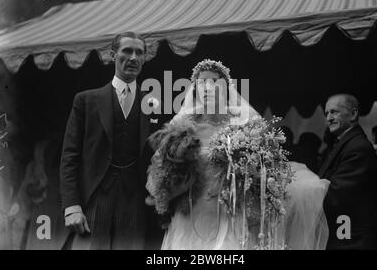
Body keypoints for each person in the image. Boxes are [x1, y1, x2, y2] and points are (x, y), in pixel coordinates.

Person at [146, 59, 329, 250]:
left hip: (230, 208)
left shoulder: (243, 121)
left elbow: (264, 162)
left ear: (225, 87)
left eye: (214, 82)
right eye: (201, 82)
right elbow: (162, 165)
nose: (207, 87)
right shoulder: (183, 124)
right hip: (192, 208)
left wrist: (245, 172)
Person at [59, 32, 158, 250]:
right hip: (95, 200)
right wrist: (71, 206)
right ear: (113, 55)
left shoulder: (153, 104)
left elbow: (157, 157)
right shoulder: (86, 100)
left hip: (135, 203)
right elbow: (70, 157)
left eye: (139, 53)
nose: (133, 57)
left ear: (144, 59)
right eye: (127, 51)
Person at [318, 94, 377, 249]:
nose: (328, 118)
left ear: (354, 114)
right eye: (327, 113)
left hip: (351, 238)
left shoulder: (357, 148)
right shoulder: (346, 143)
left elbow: (338, 193)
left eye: (334, 112)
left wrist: (301, 191)